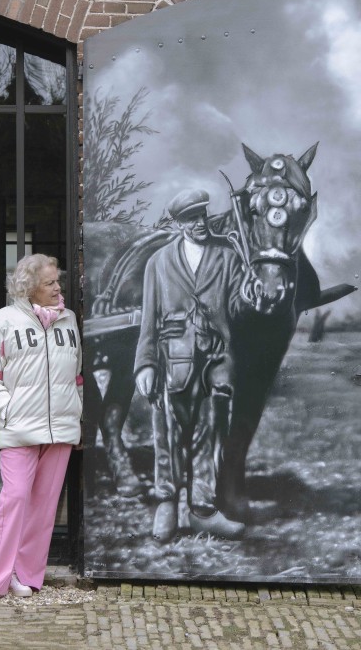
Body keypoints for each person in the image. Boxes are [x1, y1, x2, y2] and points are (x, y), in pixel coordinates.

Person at [134, 189, 246, 543]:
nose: (199, 224)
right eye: (190, 219)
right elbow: (148, 321)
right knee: (166, 430)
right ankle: (166, 504)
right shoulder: (158, 262)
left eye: (201, 216)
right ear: (178, 224)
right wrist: (145, 364)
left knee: (208, 429)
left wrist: (250, 295)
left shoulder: (228, 258)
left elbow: (238, 310)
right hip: (171, 359)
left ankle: (201, 510)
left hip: (214, 358)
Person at [0, 254, 82, 604]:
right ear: (29, 287)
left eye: (57, 281)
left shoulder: (69, 319)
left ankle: (26, 574)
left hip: (61, 429)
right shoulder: (4, 321)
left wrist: (77, 415)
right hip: (19, 428)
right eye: (50, 282)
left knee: (44, 507)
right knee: (15, 498)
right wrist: (9, 412)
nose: (58, 288)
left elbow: (76, 376)